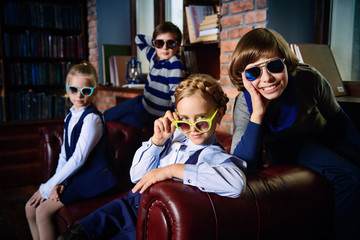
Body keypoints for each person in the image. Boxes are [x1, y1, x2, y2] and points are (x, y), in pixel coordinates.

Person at [57, 74, 247, 240]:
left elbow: (236, 183)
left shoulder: (212, 154)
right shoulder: (172, 138)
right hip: (126, 204)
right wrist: (157, 141)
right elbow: (137, 175)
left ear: (219, 114)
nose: (193, 128)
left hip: (151, 218)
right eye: (184, 120)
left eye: (202, 120)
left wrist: (171, 170)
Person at [229, 28, 360, 239]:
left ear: (287, 63)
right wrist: (259, 112)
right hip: (292, 146)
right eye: (254, 72)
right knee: (350, 177)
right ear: (243, 77)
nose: (267, 79)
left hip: (321, 134)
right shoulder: (245, 103)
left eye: (274, 66)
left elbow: (338, 118)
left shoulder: (310, 79)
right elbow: (243, 164)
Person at [25, 62, 118, 240]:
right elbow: (64, 156)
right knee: (30, 208)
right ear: (67, 89)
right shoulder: (70, 116)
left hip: (93, 179)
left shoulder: (92, 119)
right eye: (74, 90)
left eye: (86, 91)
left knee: (43, 212)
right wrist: (57, 182)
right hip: (76, 176)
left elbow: (78, 159)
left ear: (94, 91)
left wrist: (47, 187)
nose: (79, 96)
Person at [104, 21, 186, 128]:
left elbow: (176, 95)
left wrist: (179, 123)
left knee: (112, 119)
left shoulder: (174, 64)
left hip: (152, 114)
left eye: (170, 43)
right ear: (154, 43)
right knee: (106, 115)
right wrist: (156, 42)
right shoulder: (153, 55)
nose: (165, 48)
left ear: (178, 45)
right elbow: (138, 39)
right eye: (160, 43)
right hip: (143, 102)